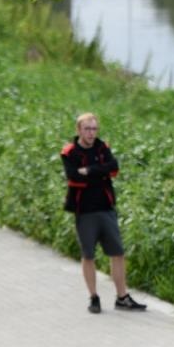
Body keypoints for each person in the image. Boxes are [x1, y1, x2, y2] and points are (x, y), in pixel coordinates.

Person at [61, 112, 144, 313]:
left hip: (106, 209)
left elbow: (114, 169)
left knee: (118, 253)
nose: (91, 133)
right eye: (87, 129)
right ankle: (94, 297)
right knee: (88, 255)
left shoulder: (102, 147)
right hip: (85, 212)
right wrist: (100, 172)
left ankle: (122, 297)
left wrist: (88, 171)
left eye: (94, 129)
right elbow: (73, 178)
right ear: (79, 130)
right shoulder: (69, 152)